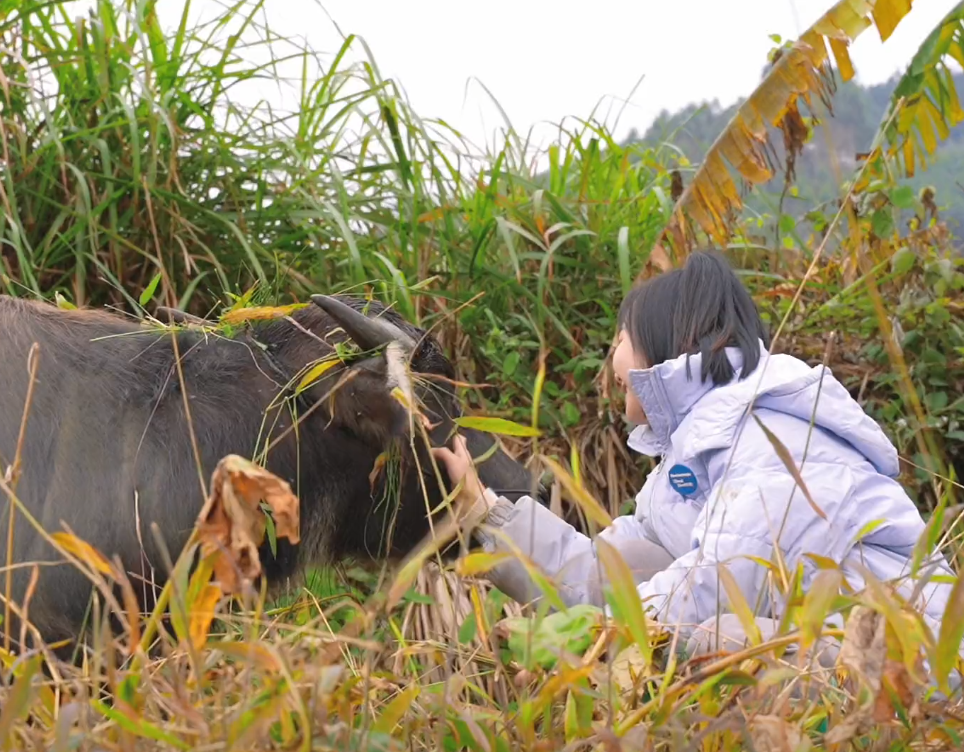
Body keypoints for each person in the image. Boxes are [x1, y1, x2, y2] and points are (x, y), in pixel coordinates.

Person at [432, 250, 955, 666]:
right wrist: (487, 515)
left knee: (710, 644)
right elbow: (599, 576)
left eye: (618, 340)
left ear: (664, 338)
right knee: (645, 580)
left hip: (910, 663)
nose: (608, 360)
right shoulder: (687, 461)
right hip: (822, 650)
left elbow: (717, 590)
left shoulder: (770, 431)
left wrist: (586, 640)